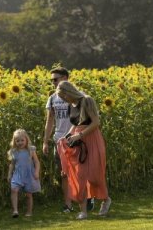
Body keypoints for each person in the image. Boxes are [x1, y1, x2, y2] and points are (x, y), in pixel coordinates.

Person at [56, 80, 112, 220]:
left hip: (92, 139)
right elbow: (75, 124)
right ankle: (83, 211)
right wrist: (67, 136)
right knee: (80, 175)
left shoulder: (87, 101)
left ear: (69, 92)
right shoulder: (71, 105)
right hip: (79, 142)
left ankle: (106, 200)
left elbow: (96, 122)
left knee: (94, 175)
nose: (64, 100)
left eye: (64, 97)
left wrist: (79, 135)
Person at [42, 67, 94, 213]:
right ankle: (68, 204)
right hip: (59, 141)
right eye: (51, 80)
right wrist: (46, 141)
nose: (53, 82)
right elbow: (50, 120)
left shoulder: (80, 96)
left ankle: (87, 198)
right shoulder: (52, 98)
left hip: (76, 139)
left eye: (55, 79)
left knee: (81, 173)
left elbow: (89, 119)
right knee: (64, 174)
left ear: (65, 78)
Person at [7, 129, 41, 218]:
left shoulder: (31, 150)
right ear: (14, 142)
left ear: (26, 140)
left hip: (29, 174)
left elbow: (37, 162)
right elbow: (12, 164)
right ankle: (15, 210)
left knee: (29, 194)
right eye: (17, 141)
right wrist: (9, 174)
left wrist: (37, 172)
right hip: (17, 174)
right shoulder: (14, 152)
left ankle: (29, 211)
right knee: (14, 189)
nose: (20, 142)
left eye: (22, 140)